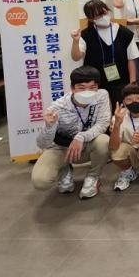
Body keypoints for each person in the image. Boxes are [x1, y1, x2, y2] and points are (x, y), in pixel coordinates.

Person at [31, 66, 111, 199]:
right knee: (40, 181)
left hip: (86, 145)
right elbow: (42, 144)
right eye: (82, 88)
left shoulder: (102, 95)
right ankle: (64, 168)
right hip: (61, 150)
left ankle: (93, 177)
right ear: (72, 88)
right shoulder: (57, 108)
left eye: (92, 87)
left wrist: (81, 137)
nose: (88, 92)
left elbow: (103, 123)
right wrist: (49, 127)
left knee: (104, 141)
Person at [70, 0, 139, 107]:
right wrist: (75, 41)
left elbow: (131, 59)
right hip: (95, 85)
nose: (103, 17)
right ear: (90, 19)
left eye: (104, 13)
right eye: (97, 16)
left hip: (121, 83)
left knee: (120, 111)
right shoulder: (86, 34)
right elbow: (76, 57)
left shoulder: (124, 33)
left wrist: (132, 85)